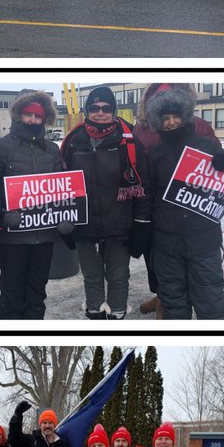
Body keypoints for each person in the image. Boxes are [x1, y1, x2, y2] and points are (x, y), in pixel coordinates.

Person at [142, 85, 224, 320]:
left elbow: (222, 185)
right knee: (174, 302)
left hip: (203, 240)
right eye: (165, 118)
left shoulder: (206, 146)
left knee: (210, 301)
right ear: (158, 121)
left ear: (185, 116)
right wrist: (142, 225)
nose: (172, 122)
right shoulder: (155, 155)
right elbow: (148, 194)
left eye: (176, 116)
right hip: (166, 243)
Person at [59, 86, 151, 319]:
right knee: (91, 275)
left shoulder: (128, 139)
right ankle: (95, 313)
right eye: (95, 108)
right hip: (84, 224)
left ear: (114, 110)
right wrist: (64, 220)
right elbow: (60, 184)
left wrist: (141, 222)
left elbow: (144, 183)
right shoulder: (72, 140)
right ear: (87, 110)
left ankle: (117, 313)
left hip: (119, 223)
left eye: (106, 108)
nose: (100, 113)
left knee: (118, 276)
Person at [0, 91, 64, 319]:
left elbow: (61, 190)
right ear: (18, 115)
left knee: (38, 292)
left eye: (37, 116)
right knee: (12, 291)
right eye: (28, 115)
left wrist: (66, 217)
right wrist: (1, 215)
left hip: (44, 236)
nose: (32, 120)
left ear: (44, 120)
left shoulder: (53, 150)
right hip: (13, 237)